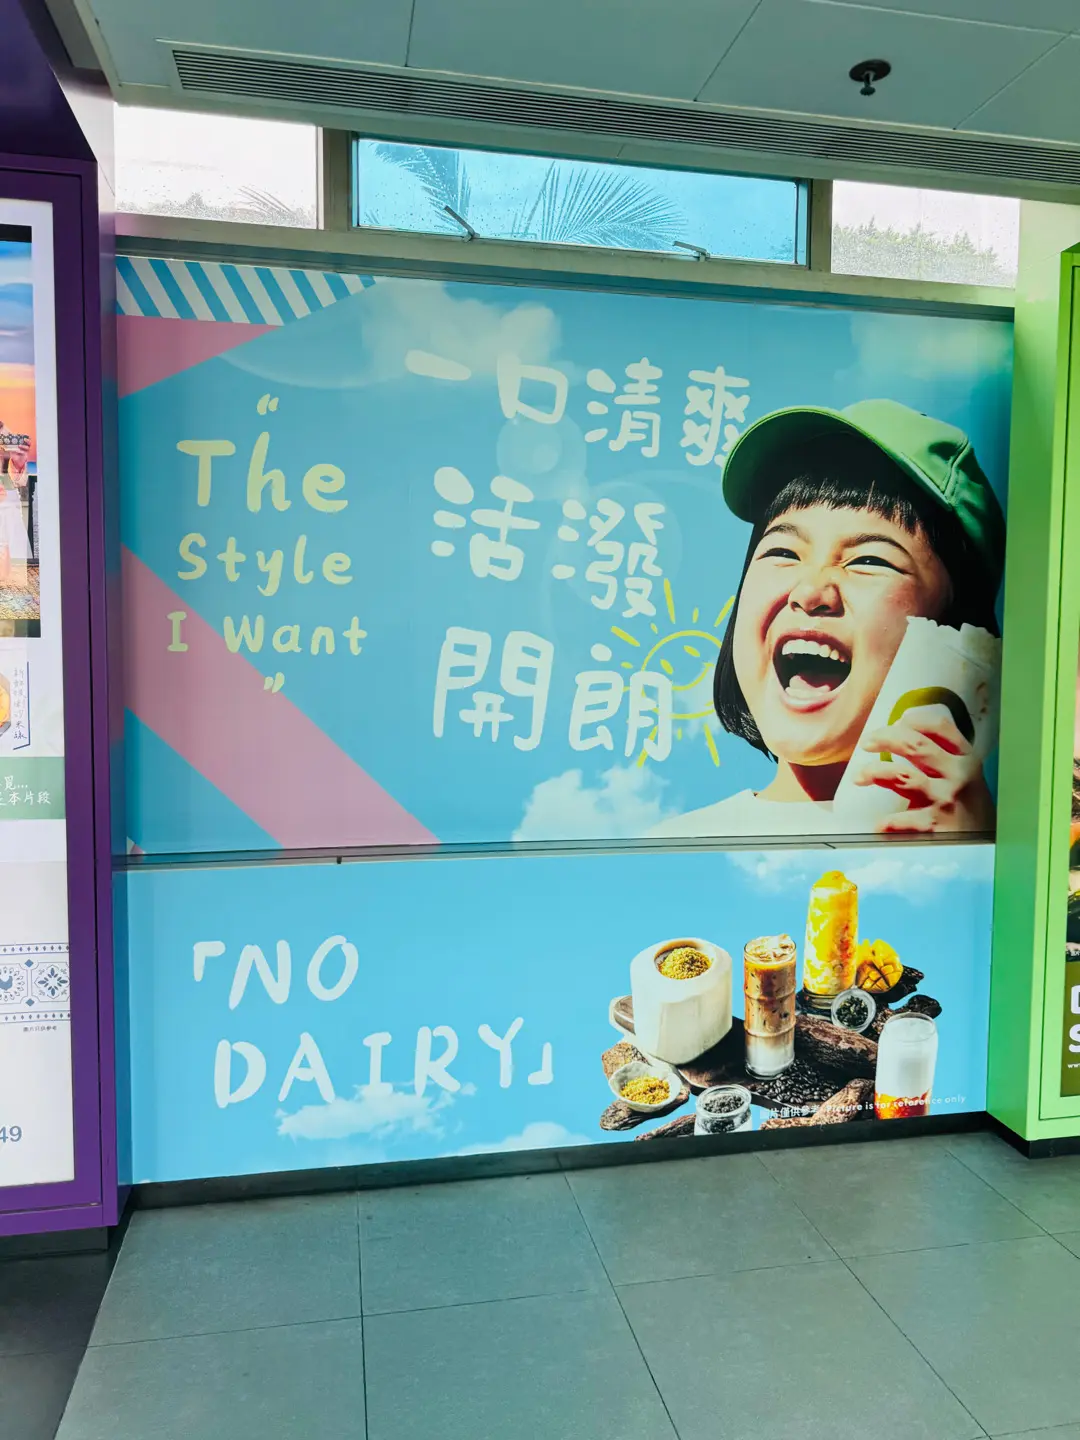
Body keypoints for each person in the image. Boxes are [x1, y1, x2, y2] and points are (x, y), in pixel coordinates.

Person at [650, 399, 1004, 838]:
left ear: (959, 637)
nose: (810, 592)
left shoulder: (1023, 855)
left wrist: (973, 854)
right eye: (782, 551)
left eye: (870, 560)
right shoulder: (670, 850)